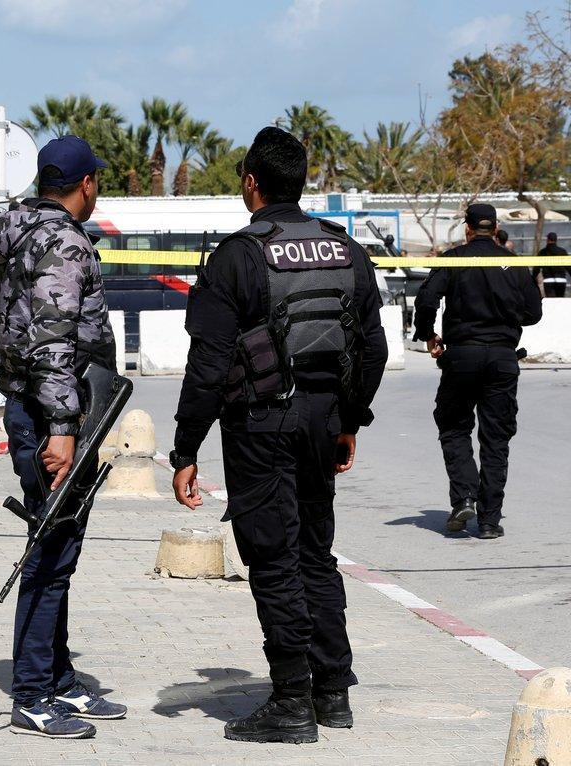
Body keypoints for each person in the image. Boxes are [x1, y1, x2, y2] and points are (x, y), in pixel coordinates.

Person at [170, 127, 388, 744]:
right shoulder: (345, 250)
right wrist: (348, 420)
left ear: (250, 182)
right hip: (323, 422)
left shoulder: (238, 256)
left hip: (261, 424)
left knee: (273, 558)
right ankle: (332, 691)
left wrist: (186, 449)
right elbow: (372, 349)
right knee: (316, 551)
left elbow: (209, 366)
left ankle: (292, 700)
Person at [0, 135, 124, 739]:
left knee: (58, 549)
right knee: (50, 554)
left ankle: (58, 678)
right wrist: (64, 430)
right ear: (85, 183)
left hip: (31, 407)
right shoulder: (63, 242)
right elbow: (53, 344)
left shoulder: (18, 234)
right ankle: (33, 693)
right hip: (51, 418)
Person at [413, 204, 543, 540]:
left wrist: (427, 334)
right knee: (496, 438)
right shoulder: (513, 263)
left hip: (462, 356)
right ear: (495, 227)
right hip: (502, 358)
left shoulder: (454, 258)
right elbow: (534, 312)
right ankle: (488, 520)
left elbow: (426, 300)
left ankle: (464, 498)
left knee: (454, 427)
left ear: (467, 229)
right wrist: (504, 317)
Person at [532, 232, 571, 297]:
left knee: (551, 302)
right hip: (561, 280)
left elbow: (536, 268)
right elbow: (568, 266)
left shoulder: (543, 252)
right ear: (556, 240)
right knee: (559, 301)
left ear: (547, 240)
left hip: (548, 280)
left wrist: (533, 278)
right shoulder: (562, 251)